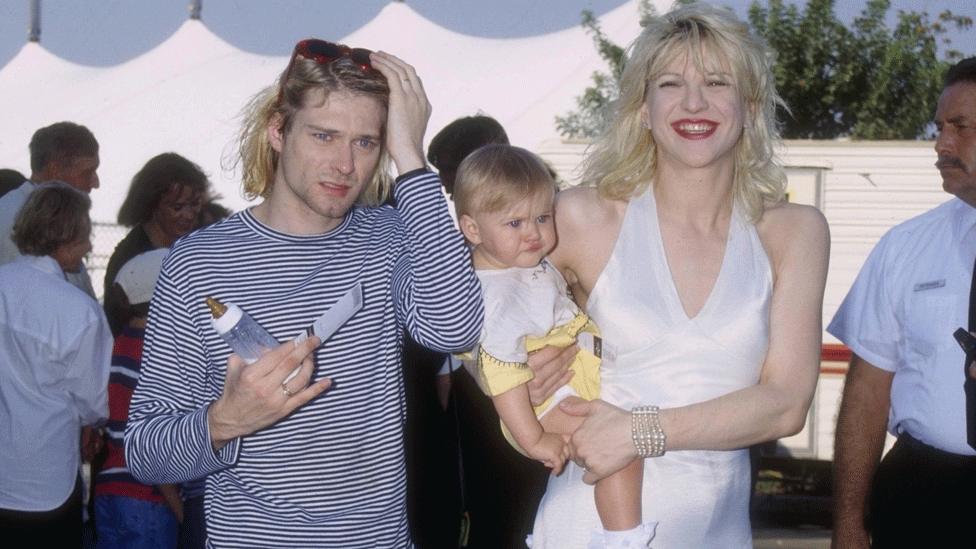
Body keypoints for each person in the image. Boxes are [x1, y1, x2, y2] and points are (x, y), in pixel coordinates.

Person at [123, 39, 483, 547]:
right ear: (278, 130)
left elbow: (455, 326)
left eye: (366, 142)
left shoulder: (389, 235)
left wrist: (411, 158)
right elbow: (144, 452)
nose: (344, 164)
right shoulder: (198, 263)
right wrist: (227, 421)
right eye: (324, 136)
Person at [525, 3, 829, 547]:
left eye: (717, 82)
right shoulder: (580, 216)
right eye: (670, 84)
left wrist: (636, 432)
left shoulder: (795, 232)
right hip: (591, 522)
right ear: (643, 108)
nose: (694, 103)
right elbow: (473, 310)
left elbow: (785, 404)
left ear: (749, 106)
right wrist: (505, 371)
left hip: (720, 528)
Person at [455, 144, 654, 547]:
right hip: (544, 407)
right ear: (472, 229)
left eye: (542, 218)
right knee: (621, 451)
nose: (533, 233)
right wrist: (534, 439)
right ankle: (623, 539)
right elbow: (503, 376)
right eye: (514, 223)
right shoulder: (495, 297)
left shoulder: (520, 266)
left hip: (567, 387)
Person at [828, 56, 976, 549]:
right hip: (923, 495)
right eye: (939, 127)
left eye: (960, 127)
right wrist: (849, 522)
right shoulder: (905, 247)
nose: (941, 144)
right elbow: (867, 394)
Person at [427, 115, 549, 548]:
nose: (449, 191)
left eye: (454, 175)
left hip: (548, 386)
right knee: (493, 504)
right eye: (444, 180)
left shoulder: (543, 222)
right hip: (482, 393)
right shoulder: (461, 236)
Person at [0, 182, 112, 545]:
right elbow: (95, 403)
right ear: (67, 236)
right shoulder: (78, 310)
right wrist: (91, 425)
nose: (91, 245)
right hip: (44, 478)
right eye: (85, 234)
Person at [95, 248, 183, 549]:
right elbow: (152, 447)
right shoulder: (158, 357)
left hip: (108, 490)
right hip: (148, 497)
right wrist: (179, 508)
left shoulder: (114, 346)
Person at [103, 152, 208, 335]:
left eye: (195, 204)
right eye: (177, 207)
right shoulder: (129, 258)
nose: (190, 215)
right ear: (152, 204)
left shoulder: (194, 244)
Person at [0, 121, 100, 296]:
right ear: (54, 170)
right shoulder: (17, 217)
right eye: (87, 173)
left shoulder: (51, 214)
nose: (95, 183)